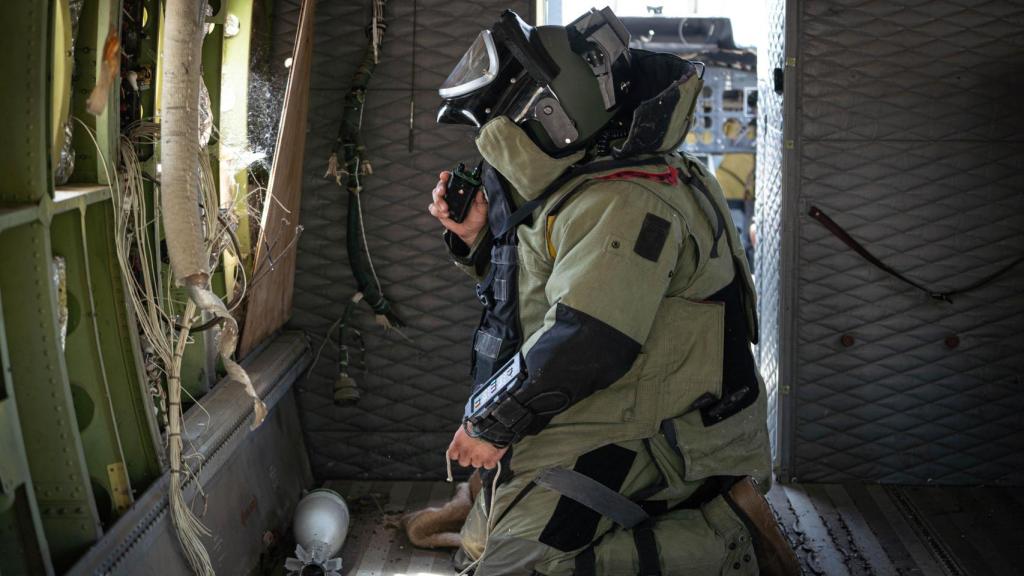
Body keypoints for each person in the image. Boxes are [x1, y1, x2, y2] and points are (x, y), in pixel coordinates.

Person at [427, 7, 797, 575]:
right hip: (616, 403)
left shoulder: (625, 198)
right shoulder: (590, 178)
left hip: (669, 438)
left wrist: (490, 426)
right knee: (481, 544)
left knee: (515, 569)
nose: (490, 144)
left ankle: (727, 534)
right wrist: (479, 239)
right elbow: (546, 301)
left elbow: (588, 338)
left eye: (498, 125)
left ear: (550, 120)